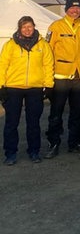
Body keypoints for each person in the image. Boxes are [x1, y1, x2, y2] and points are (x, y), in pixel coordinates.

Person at [0, 16, 54, 165]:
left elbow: (48, 65)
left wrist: (48, 86)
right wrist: (1, 86)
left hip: (35, 88)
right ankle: (10, 153)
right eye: (24, 27)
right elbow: (2, 65)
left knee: (33, 122)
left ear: (34, 26)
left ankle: (34, 151)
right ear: (19, 28)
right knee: (11, 122)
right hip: (13, 88)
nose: (27, 30)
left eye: (29, 26)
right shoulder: (10, 45)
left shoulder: (43, 45)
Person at [45, 0, 80, 159]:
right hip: (61, 77)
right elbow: (47, 51)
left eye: (78, 8)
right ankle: (54, 142)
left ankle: (74, 142)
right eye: (72, 8)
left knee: (77, 112)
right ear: (66, 9)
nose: (75, 11)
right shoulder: (56, 26)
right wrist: (48, 75)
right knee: (56, 112)